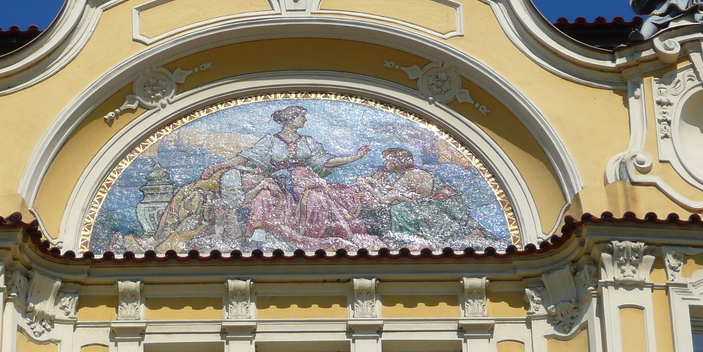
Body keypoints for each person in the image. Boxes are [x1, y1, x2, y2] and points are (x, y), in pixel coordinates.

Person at [197, 105, 378, 250]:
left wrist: (355, 157)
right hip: (280, 180)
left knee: (318, 199)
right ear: (291, 119)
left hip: (306, 180)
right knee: (265, 196)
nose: (305, 120)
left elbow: (327, 161)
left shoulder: (308, 141)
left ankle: (311, 238)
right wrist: (218, 166)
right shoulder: (270, 141)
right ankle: (260, 237)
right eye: (302, 116)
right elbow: (246, 157)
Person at [367, 148, 500, 248]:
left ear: (397, 162)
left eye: (388, 159)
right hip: (449, 206)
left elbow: (384, 200)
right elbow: (414, 198)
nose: (385, 162)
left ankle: (409, 241)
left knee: (398, 210)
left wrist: (368, 187)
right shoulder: (417, 174)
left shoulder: (407, 177)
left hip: (438, 209)